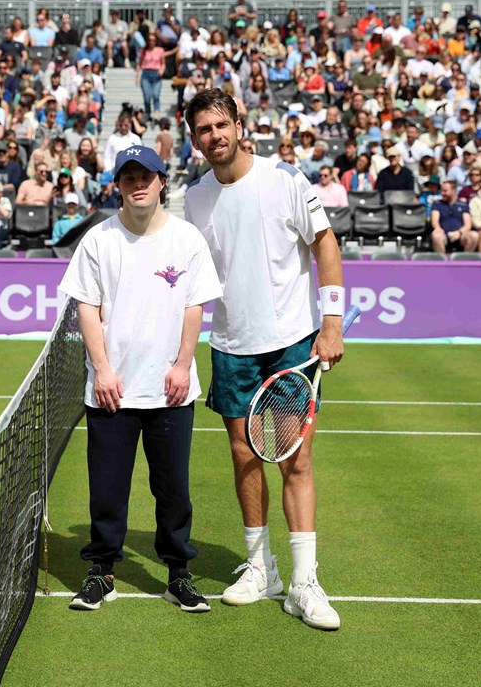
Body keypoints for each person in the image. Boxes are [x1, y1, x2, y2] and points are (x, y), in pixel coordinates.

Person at [183, 89, 346, 631]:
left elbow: (325, 242)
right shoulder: (196, 198)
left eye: (221, 125)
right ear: (195, 138)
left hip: (294, 341)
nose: (215, 136)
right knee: (244, 456)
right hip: (231, 345)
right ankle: (260, 568)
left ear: (238, 123)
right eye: (204, 130)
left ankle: (304, 581)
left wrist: (332, 321)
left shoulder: (285, 179)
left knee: (295, 460)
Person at [58, 145, 222, 613]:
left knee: (173, 490)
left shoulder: (187, 239)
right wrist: (104, 370)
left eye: (146, 175)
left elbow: (195, 304)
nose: (138, 184)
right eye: (129, 177)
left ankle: (178, 575)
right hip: (111, 390)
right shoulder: (98, 240)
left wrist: (183, 363)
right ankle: (102, 572)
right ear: (118, 185)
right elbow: (86, 307)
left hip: (171, 390)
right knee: (107, 488)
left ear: (162, 180)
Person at [430, 179, 478, 253]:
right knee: (436, 235)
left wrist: (459, 232)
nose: (442, 193)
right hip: (443, 234)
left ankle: (465, 261)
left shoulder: (463, 205)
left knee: (474, 235)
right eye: (441, 191)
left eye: (445, 191)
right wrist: (438, 229)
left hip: (460, 235)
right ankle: (441, 262)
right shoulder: (437, 204)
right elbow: (435, 220)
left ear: (453, 190)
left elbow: (468, 225)